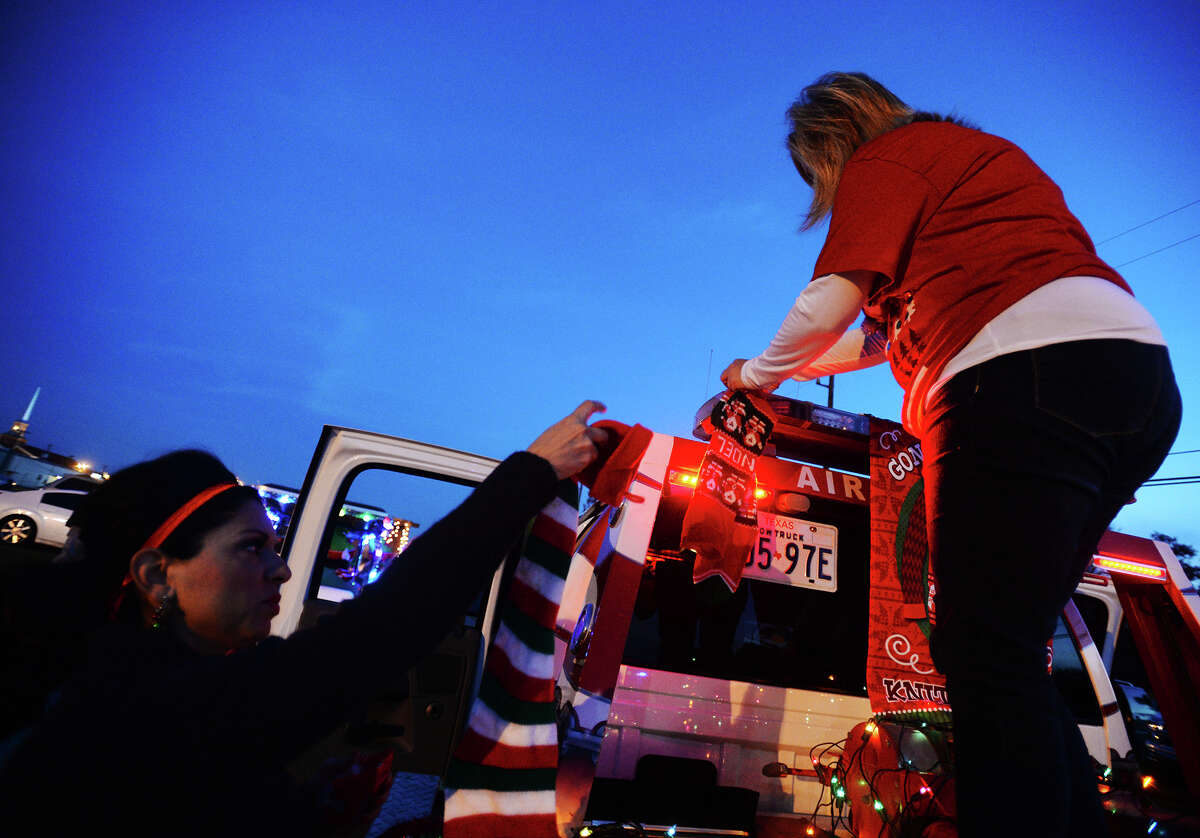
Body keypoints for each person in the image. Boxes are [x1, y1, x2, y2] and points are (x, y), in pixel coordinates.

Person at [720, 73, 1180, 837]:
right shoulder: (970, 166)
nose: (828, 193)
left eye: (819, 176)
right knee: (1007, 647)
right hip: (1134, 382)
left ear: (835, 140)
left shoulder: (888, 159)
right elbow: (870, 334)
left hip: (1018, 375)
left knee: (982, 656)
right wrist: (801, 366)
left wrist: (755, 374)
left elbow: (830, 295)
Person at [0, 400, 609, 836]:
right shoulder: (132, 708)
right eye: (250, 548)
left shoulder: (172, 680)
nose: (283, 571)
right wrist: (530, 473)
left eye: (275, 546)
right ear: (158, 576)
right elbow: (386, 627)